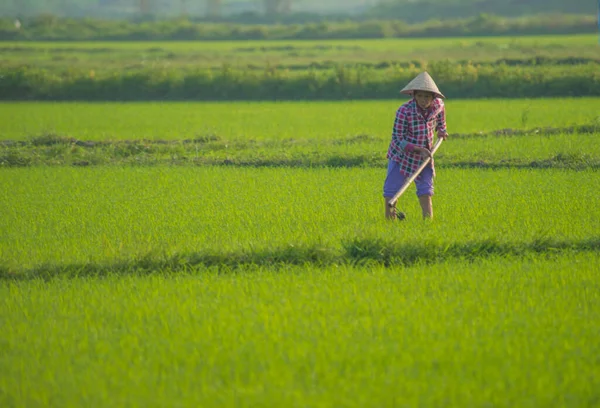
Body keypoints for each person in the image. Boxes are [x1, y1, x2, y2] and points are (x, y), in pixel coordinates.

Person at [383, 71, 448, 220]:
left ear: (433, 97)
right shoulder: (404, 111)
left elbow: (441, 115)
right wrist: (418, 149)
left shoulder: (438, 105)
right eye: (419, 96)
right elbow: (398, 138)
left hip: (425, 157)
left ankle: (427, 223)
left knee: (426, 190)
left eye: (427, 97)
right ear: (414, 95)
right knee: (391, 191)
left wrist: (442, 130)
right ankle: (389, 224)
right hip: (402, 155)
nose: (423, 100)